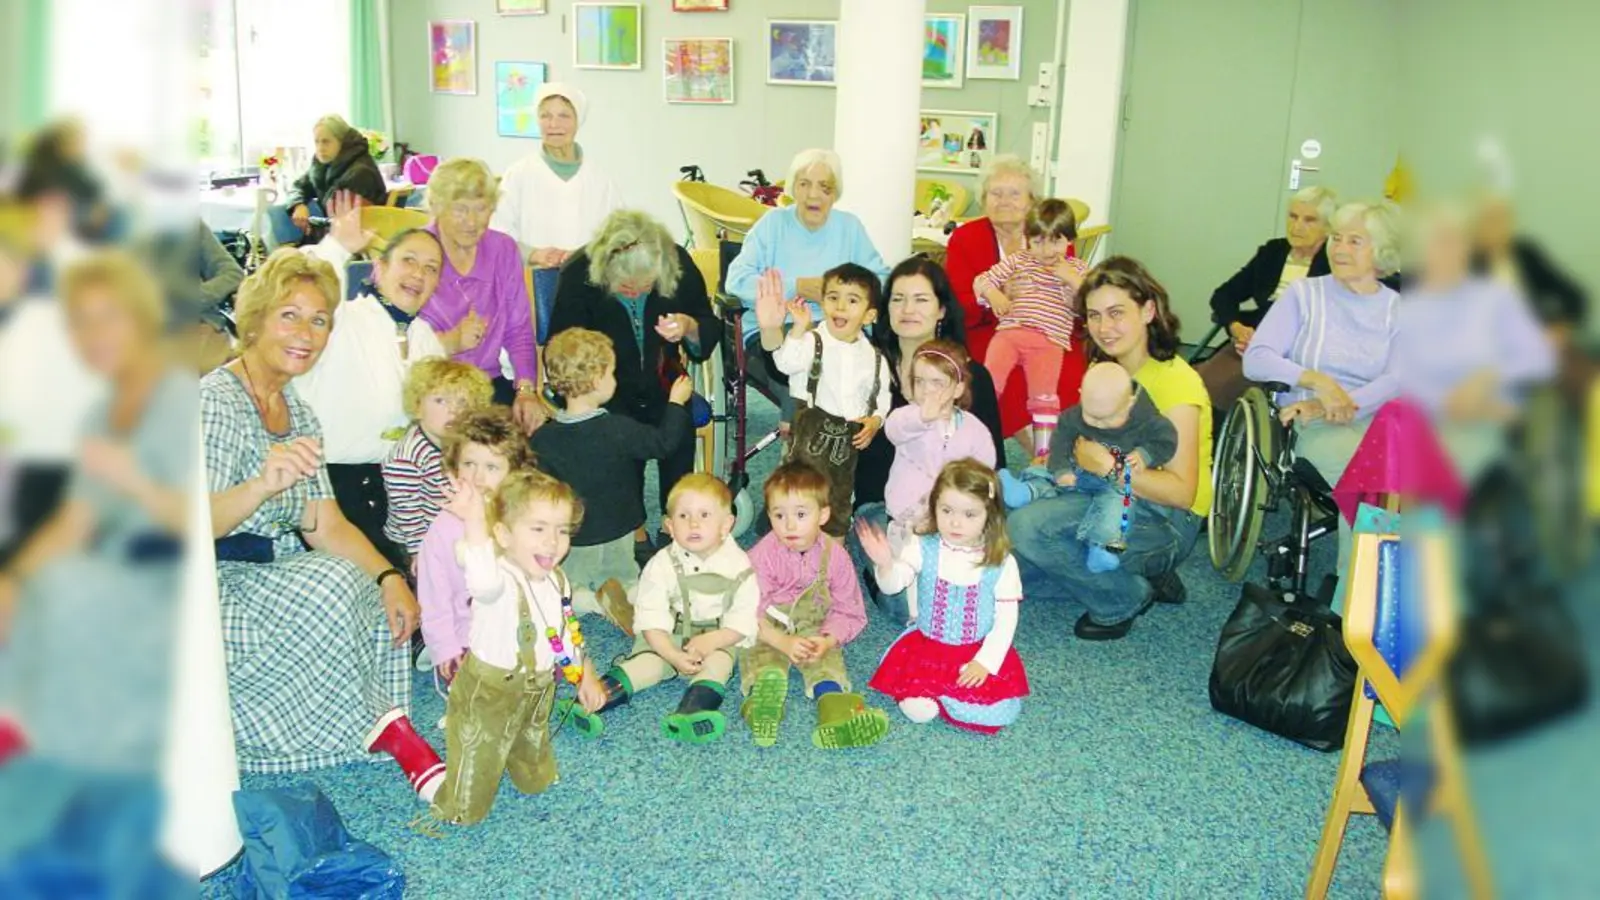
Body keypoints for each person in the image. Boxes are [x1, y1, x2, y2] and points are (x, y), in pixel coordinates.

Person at [201, 249, 430, 784]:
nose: (306, 333)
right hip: (210, 585)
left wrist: (390, 577)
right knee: (331, 583)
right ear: (254, 321)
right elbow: (190, 526)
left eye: (320, 320)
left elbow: (326, 525)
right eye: (290, 315)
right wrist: (261, 485)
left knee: (364, 582)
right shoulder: (215, 401)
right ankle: (378, 730)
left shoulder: (300, 413)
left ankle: (371, 726)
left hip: (270, 574)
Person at [0, 252, 193, 772]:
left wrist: (136, 482)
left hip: (179, 582)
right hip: (117, 572)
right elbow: (74, 520)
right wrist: (10, 581)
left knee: (65, 589)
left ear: (142, 318)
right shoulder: (100, 412)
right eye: (81, 322)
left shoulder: (178, 397)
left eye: (109, 316)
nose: (94, 335)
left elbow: (201, 523)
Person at [1009, 257, 1212, 641]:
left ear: (1148, 311)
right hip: (1104, 492)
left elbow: (1181, 493)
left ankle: (1124, 596)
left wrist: (1108, 467)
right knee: (1011, 562)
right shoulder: (1108, 368)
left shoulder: (1176, 385)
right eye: (1094, 315)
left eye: (1117, 313)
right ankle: (1138, 570)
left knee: (1027, 529)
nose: (1104, 327)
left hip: (1167, 520)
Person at [1243, 201, 1402, 605]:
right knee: (1373, 486)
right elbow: (1256, 358)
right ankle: (1359, 607)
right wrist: (1316, 382)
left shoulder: (1397, 310)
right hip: (1314, 425)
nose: (1340, 248)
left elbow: (1398, 378)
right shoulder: (1305, 295)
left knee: (1421, 484)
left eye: (1355, 240)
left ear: (1381, 251)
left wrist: (1344, 401)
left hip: (1375, 420)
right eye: (1335, 237)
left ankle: (1404, 600)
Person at [430, 470, 601, 825]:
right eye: (538, 529)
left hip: (538, 688)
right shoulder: (499, 579)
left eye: (562, 530)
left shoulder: (557, 579)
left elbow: (567, 632)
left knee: (532, 744)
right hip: (489, 693)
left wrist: (584, 673)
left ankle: (526, 768)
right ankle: (437, 784)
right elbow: (482, 578)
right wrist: (475, 520)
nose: (552, 542)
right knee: (472, 781)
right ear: (504, 535)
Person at [546, 209, 721, 532]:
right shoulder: (579, 273)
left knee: (678, 426)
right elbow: (561, 348)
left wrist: (689, 327)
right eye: (626, 285)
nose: (635, 292)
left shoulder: (676, 262)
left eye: (645, 284)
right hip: (602, 387)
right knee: (614, 439)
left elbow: (708, 326)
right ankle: (632, 528)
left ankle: (676, 523)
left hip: (663, 377)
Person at [562, 474, 759, 745]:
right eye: (683, 516)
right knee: (649, 664)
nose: (693, 523)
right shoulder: (660, 564)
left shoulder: (741, 566)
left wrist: (714, 640)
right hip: (667, 632)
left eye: (704, 515)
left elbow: (744, 619)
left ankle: (693, 711)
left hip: (718, 634)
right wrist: (670, 653)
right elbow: (650, 617)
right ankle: (592, 701)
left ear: (726, 524)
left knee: (720, 663)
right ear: (669, 526)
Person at [294, 225, 450, 565]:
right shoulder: (341, 318)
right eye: (408, 260)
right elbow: (307, 283)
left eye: (431, 268)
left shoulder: (426, 339)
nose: (418, 274)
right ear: (379, 268)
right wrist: (338, 246)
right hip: (327, 486)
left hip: (398, 488)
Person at [531, 327, 694, 632]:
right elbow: (663, 444)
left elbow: (535, 493)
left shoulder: (542, 440)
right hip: (620, 528)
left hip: (574, 536)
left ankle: (592, 602)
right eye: (611, 373)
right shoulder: (619, 429)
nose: (615, 379)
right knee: (627, 576)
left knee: (566, 587)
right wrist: (675, 403)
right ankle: (636, 596)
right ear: (596, 381)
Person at [859, 460, 1030, 735]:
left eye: (970, 514)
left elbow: (1006, 619)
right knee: (919, 708)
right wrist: (886, 564)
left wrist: (985, 662)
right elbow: (892, 587)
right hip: (928, 646)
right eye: (946, 510)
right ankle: (933, 697)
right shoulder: (922, 546)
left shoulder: (1001, 562)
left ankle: (943, 697)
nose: (955, 522)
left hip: (974, 650)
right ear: (934, 507)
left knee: (999, 709)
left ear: (990, 515)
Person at [724, 149, 889, 423]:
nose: (814, 195)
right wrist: (796, 287)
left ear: (835, 193)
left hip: (840, 330)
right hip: (777, 329)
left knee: (864, 374)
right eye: (804, 184)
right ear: (793, 188)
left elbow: (880, 280)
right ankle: (802, 439)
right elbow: (736, 281)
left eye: (825, 187)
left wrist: (843, 295)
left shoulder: (850, 228)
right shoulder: (772, 225)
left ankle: (845, 440)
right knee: (809, 367)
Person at [1401, 202, 1555, 487]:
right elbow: (1403, 374)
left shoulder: (1495, 298)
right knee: (1389, 472)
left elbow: (1540, 358)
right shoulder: (1409, 308)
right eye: (1440, 241)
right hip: (1426, 418)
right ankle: (1382, 518)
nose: (1450, 250)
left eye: (1457, 240)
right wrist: (1449, 403)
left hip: (1486, 423)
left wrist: (1489, 376)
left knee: (1431, 474)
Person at [944, 155, 1087, 457]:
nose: (1004, 201)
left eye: (1014, 193)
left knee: (1066, 373)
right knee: (995, 377)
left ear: (1032, 200)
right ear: (983, 200)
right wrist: (996, 297)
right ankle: (1040, 453)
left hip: (1050, 327)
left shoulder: (1052, 237)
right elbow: (956, 299)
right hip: (988, 328)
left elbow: (1075, 296)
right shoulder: (965, 238)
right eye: (995, 193)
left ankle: (1062, 446)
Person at [741, 461, 887, 750]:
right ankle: (761, 706)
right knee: (761, 657)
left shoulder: (836, 556)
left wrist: (827, 639)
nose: (789, 525)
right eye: (779, 515)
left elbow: (848, 609)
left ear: (823, 515)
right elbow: (746, 609)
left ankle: (833, 706)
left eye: (800, 514)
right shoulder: (761, 556)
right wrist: (780, 640)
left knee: (826, 659)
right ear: (769, 516)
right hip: (768, 624)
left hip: (813, 624)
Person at [855, 257, 1005, 511]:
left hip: (950, 514)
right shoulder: (865, 368)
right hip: (874, 511)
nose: (907, 309)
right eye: (898, 299)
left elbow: (992, 466)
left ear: (942, 310)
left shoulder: (970, 377)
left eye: (921, 299)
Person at [1001, 361, 1178, 574]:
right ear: (1081, 395)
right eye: (1090, 416)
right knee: (1045, 469)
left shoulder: (1147, 420)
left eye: (1107, 419)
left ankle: (1102, 548)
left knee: (1118, 505)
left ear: (1129, 403)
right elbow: (1061, 441)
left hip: (1112, 484)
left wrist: (1145, 454)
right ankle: (1025, 491)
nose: (1097, 425)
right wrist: (1061, 469)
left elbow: (1166, 441)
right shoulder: (1074, 415)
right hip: (1076, 470)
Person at [757, 263, 891, 537]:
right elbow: (785, 363)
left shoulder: (874, 357)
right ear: (823, 303)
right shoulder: (811, 341)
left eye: (852, 300)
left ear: (869, 315)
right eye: (833, 297)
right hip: (807, 440)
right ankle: (786, 545)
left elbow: (882, 395)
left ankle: (832, 556)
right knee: (797, 496)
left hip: (846, 447)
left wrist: (876, 420)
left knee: (839, 502)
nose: (840, 306)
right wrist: (797, 329)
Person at [415, 158, 542, 432]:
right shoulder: (414, 252)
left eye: (481, 208)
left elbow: (518, 329)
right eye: (460, 209)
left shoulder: (503, 249)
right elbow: (392, 336)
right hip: (431, 388)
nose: (472, 222)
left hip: (488, 384)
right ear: (436, 206)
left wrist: (526, 390)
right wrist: (451, 341)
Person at [416, 407, 534, 690]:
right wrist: (445, 648)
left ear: (514, 473)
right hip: (468, 633)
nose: (478, 477)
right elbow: (434, 597)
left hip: (519, 626)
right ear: (454, 468)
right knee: (477, 692)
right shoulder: (443, 529)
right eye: (469, 464)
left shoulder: (522, 515)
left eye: (491, 467)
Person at [1198, 186, 1337, 413]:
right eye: (1293, 216)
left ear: (1328, 227)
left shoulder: (1335, 263)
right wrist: (1236, 326)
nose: (1297, 226)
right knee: (1202, 383)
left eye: (1309, 220)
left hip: (1298, 348)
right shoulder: (1273, 252)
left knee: (1228, 388)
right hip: (1255, 337)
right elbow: (1224, 294)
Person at [973, 198, 1088, 460]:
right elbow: (982, 280)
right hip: (1009, 333)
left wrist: (1072, 280)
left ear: (1069, 240)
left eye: (1055, 241)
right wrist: (994, 294)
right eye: (1037, 242)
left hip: (1049, 340)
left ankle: (1043, 455)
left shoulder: (1078, 269)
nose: (1046, 250)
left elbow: (1090, 303)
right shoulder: (1019, 260)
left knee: (1044, 398)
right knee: (988, 386)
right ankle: (973, 438)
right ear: (1027, 240)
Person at [1471, 193, 1590, 408]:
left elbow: (1576, 296)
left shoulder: (1526, 254)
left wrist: (1560, 327)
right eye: (1489, 219)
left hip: (1545, 344)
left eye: (1503, 218)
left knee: (1590, 385)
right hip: (1497, 356)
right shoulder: (1466, 265)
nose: (1498, 226)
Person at [879, 340, 997, 548]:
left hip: (954, 519)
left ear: (958, 389)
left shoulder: (975, 429)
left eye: (937, 383)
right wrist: (921, 419)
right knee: (906, 563)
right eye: (919, 381)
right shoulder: (907, 416)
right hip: (906, 518)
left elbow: (984, 472)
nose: (927, 390)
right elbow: (894, 429)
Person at [491, 83, 623, 269]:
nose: (553, 124)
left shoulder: (600, 180)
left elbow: (619, 237)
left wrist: (584, 256)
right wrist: (533, 254)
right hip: (531, 279)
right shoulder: (518, 174)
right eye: (546, 116)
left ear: (578, 121)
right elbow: (496, 235)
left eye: (564, 116)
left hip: (584, 279)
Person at [381, 357, 493, 565]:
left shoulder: (461, 442)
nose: (453, 411)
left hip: (452, 527)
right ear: (418, 406)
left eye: (462, 402)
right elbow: (408, 513)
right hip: (415, 540)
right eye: (440, 401)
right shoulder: (406, 458)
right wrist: (418, 553)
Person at [281, 114, 387, 242]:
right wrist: (298, 205)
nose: (320, 148)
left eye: (326, 141)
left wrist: (312, 225)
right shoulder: (323, 165)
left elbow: (345, 223)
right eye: (317, 142)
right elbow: (299, 186)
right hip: (339, 235)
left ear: (343, 142)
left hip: (360, 241)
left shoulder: (360, 172)